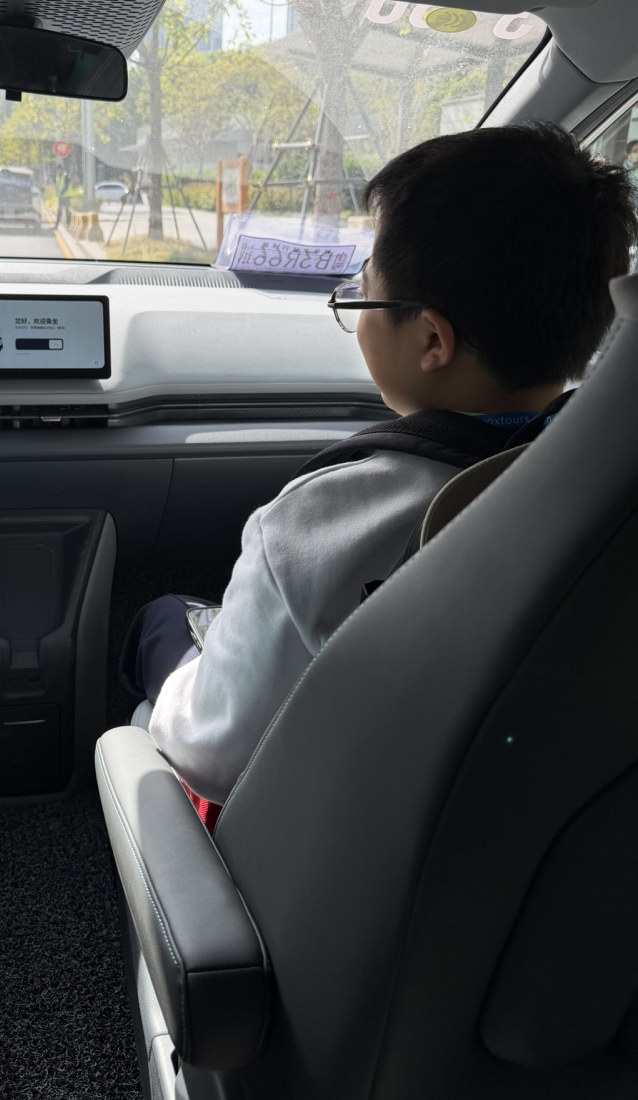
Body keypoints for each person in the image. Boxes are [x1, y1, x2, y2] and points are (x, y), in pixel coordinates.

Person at [128, 122, 637, 823]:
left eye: (363, 289)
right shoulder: (608, 493)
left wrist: (174, 687)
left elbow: (211, 754)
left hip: (315, 847)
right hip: (524, 824)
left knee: (159, 624)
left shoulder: (324, 521)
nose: (355, 301)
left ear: (431, 338)